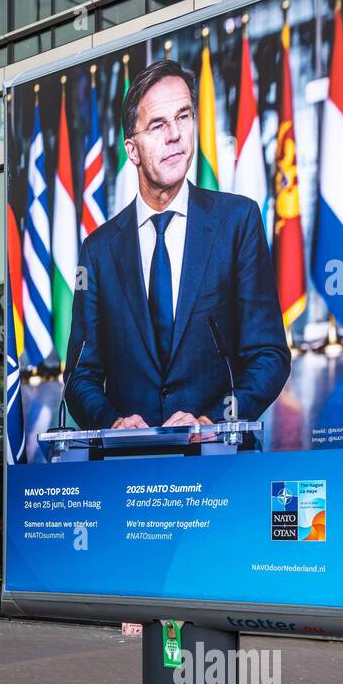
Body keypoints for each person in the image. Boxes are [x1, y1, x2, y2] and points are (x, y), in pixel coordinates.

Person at [65, 59, 290, 433]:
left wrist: (214, 420)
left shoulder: (238, 222)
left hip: (221, 466)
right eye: (158, 125)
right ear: (133, 150)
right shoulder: (98, 251)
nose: (175, 135)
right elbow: (79, 376)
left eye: (183, 117)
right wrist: (113, 422)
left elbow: (270, 355)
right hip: (130, 472)